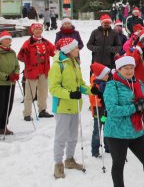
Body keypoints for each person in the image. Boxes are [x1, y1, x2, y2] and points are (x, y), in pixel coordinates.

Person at [103, 56, 144, 187]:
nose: (129, 71)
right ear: (118, 69)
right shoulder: (113, 85)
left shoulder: (138, 84)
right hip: (116, 133)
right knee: (118, 164)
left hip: (136, 132)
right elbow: (112, 110)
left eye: (131, 68)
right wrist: (134, 108)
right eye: (125, 68)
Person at [49, 38, 95, 179]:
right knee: (61, 137)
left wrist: (91, 90)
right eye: (76, 48)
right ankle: (58, 164)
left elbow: (80, 84)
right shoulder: (58, 65)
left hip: (75, 105)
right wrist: (69, 94)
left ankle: (69, 159)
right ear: (68, 50)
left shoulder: (75, 63)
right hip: (62, 107)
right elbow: (54, 88)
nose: (78, 49)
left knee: (73, 136)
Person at [18, 22, 55, 121]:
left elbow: (54, 52)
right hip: (32, 72)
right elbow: (20, 56)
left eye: (40, 29)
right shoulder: (28, 43)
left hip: (44, 71)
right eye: (36, 29)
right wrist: (26, 56)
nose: (38, 31)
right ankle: (27, 113)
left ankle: (42, 110)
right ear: (32, 31)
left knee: (43, 93)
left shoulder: (46, 42)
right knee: (29, 94)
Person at [89, 62, 111, 158]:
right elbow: (92, 99)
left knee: (107, 128)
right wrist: (99, 99)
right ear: (101, 75)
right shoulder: (94, 86)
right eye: (106, 74)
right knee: (97, 130)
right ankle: (95, 150)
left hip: (105, 113)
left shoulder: (106, 84)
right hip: (98, 112)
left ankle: (108, 147)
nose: (108, 76)